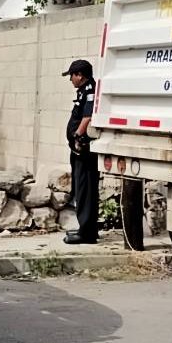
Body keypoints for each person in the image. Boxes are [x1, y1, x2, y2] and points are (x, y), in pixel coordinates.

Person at [62, 59, 99, 245]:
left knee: (86, 189)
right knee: (81, 188)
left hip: (83, 149)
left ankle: (87, 233)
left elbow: (88, 116)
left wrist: (77, 136)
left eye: (72, 76)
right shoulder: (83, 90)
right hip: (78, 150)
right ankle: (86, 228)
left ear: (80, 75)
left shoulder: (90, 90)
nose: (71, 80)